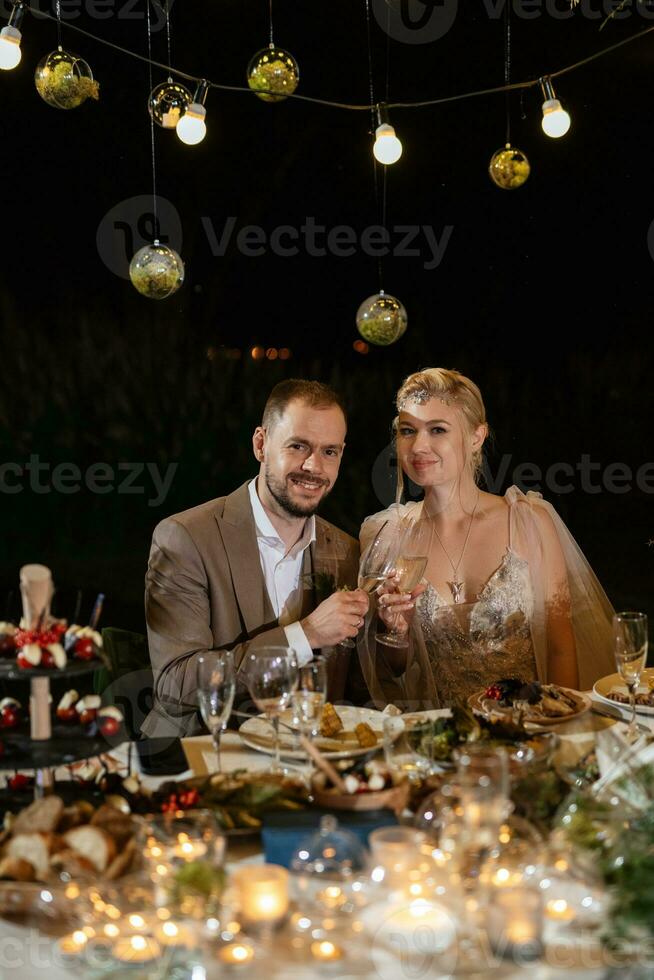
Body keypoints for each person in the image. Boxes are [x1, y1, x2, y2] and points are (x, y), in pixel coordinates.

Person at [358, 367, 615, 710]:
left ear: (476, 436)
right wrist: (398, 632)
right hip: (443, 737)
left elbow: (560, 648)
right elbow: (394, 668)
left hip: (528, 732)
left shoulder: (528, 522)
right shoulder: (387, 535)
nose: (419, 446)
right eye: (408, 430)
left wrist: (554, 732)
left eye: (437, 430)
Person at [141, 379, 369, 738]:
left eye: (330, 452)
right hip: (204, 751)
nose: (314, 466)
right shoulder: (185, 537)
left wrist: (393, 634)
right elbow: (176, 682)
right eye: (298, 446)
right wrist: (305, 635)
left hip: (310, 759)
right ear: (261, 444)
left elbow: (359, 684)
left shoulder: (346, 551)